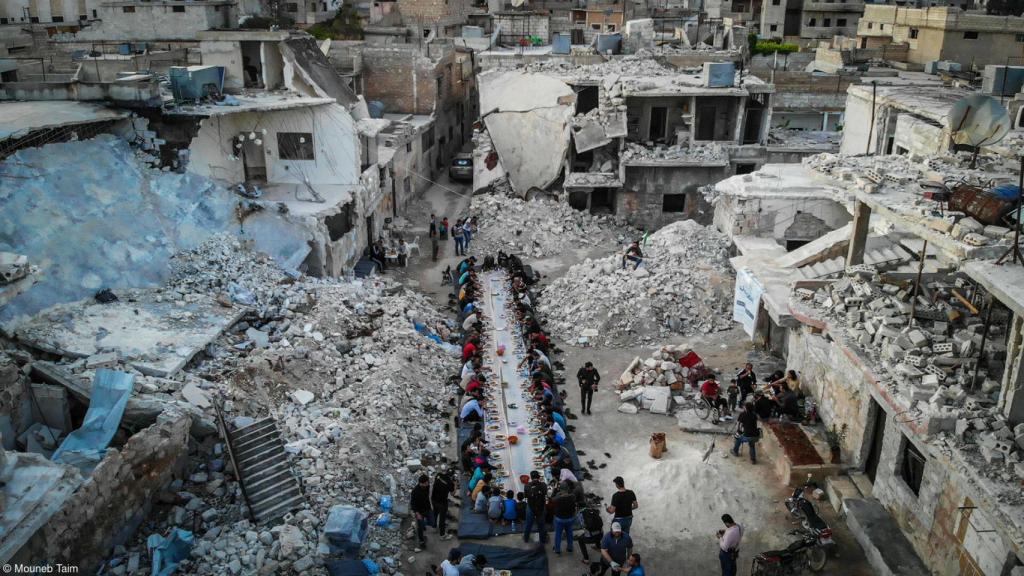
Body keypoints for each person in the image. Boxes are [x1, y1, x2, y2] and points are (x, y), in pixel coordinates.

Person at [523, 470, 548, 544]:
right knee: (541, 525)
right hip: (541, 507)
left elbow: (526, 496)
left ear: (531, 477)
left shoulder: (527, 485)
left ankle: (526, 538)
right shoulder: (543, 485)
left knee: (528, 524)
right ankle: (542, 540)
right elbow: (545, 493)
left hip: (531, 507)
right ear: (539, 477)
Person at [432, 468, 456, 540]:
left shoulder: (438, 475)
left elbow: (436, 482)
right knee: (442, 518)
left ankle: (434, 527)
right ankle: (442, 535)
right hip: (442, 502)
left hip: (433, 499)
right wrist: (455, 484)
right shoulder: (450, 483)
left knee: (435, 513)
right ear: (452, 476)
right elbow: (453, 493)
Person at [410, 474, 432, 552]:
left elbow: (427, 497)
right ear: (421, 483)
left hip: (427, 509)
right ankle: (421, 541)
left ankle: (423, 524)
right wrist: (417, 513)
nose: (428, 484)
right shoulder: (415, 492)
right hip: (419, 512)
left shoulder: (427, 487)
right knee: (420, 527)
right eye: (426, 483)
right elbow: (412, 504)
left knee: (432, 522)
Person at [552, 488, 577, 555]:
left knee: (558, 534)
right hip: (570, 518)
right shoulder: (572, 497)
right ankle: (570, 548)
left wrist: (555, 492)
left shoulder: (558, 499)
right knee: (569, 533)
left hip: (560, 519)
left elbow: (552, 499)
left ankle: (557, 550)